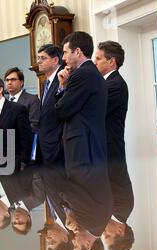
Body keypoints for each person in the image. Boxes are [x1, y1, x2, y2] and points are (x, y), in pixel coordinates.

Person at [94, 41, 135, 250]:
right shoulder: (123, 207)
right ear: (120, 231)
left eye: (97, 58)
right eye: (108, 235)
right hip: (110, 153)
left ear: (111, 62)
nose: (104, 232)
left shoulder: (115, 84)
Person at [55, 32, 108, 184]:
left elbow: (61, 110)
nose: (63, 58)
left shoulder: (82, 74)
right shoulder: (91, 73)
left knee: (85, 202)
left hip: (84, 153)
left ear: (77, 51)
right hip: (89, 152)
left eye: (65, 52)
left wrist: (62, 86)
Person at [36, 44, 64, 165]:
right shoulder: (46, 83)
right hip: (45, 146)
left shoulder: (63, 79)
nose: (38, 61)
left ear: (55, 60)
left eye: (43, 58)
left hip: (58, 147)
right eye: (38, 58)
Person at [4, 67, 40, 134]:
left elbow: (34, 125)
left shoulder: (32, 100)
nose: (9, 82)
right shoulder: (3, 102)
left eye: (13, 79)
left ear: (21, 82)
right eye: (7, 80)